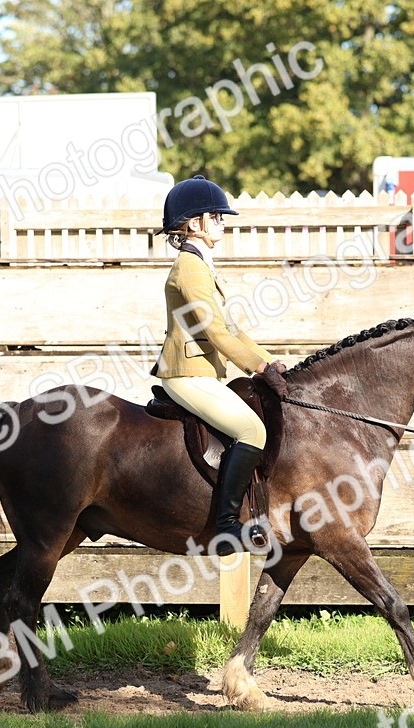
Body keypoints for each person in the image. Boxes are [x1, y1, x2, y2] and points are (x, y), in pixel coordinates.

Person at [151, 175, 288, 542]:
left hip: (203, 373)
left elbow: (234, 331)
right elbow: (217, 335)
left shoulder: (202, 264)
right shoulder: (190, 269)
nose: (223, 222)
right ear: (194, 223)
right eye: (216, 216)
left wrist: (271, 362)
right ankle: (226, 525)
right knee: (251, 430)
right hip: (186, 374)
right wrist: (257, 368)